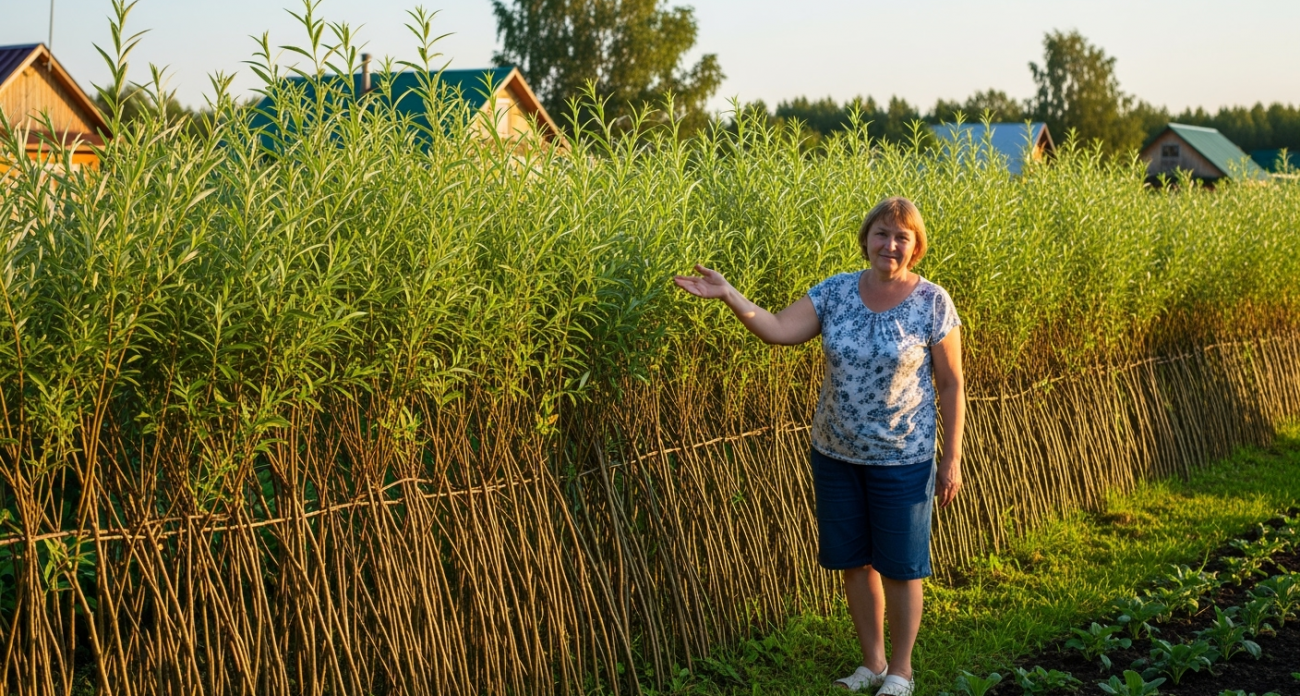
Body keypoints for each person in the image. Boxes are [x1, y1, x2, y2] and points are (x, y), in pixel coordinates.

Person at [673, 197, 965, 695]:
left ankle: (901, 671)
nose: (889, 244)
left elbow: (951, 384)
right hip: (835, 452)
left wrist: (951, 458)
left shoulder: (932, 301)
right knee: (854, 562)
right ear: (866, 238)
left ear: (915, 248)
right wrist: (730, 295)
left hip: (902, 455)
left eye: (901, 237)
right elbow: (779, 330)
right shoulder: (835, 292)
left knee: (900, 566)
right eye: (881, 233)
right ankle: (871, 664)